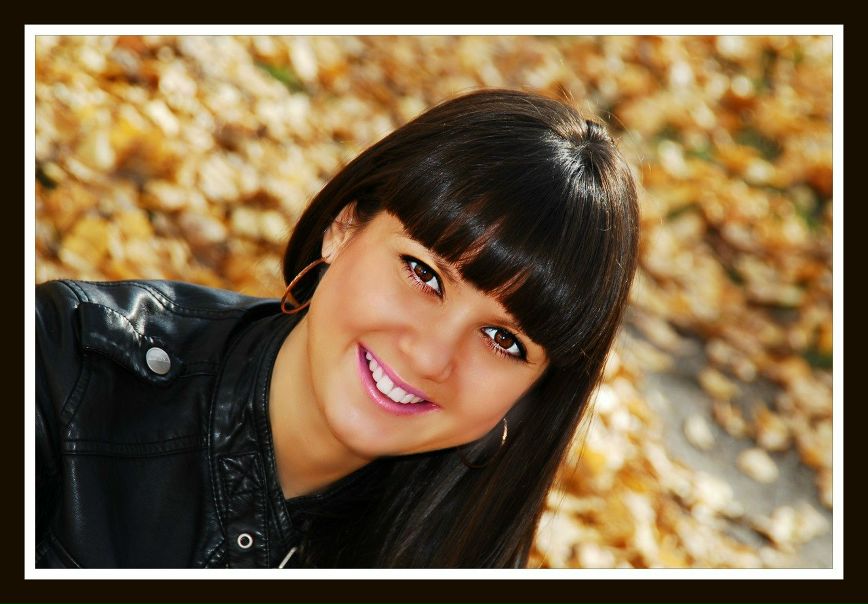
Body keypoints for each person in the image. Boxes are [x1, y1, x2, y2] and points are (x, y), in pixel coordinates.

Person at [35, 88, 639, 568]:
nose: (430, 356)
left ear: (533, 393)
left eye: (504, 340)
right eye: (424, 274)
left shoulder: (461, 553)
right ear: (344, 228)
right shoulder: (61, 371)